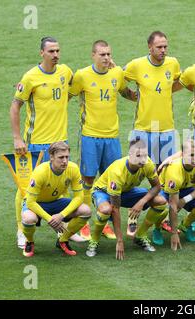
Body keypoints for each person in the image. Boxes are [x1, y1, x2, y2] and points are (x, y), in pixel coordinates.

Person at [10, 36, 79, 248]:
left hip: (60, 140)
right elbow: (15, 107)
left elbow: (77, 83)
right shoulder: (31, 77)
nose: (56, 55)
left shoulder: (65, 71)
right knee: (25, 188)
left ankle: (63, 229)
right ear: (42, 53)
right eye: (51, 51)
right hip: (36, 143)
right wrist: (17, 137)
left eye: (58, 51)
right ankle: (22, 229)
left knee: (62, 183)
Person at [68, 40, 137, 241]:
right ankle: (84, 223)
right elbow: (68, 96)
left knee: (112, 181)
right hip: (90, 135)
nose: (106, 58)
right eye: (102, 54)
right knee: (88, 180)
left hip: (112, 137)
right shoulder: (82, 75)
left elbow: (126, 93)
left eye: (108, 54)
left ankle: (106, 223)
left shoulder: (117, 74)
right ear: (93, 55)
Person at [123, 31, 181, 235]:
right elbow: (121, 81)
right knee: (136, 176)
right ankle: (132, 217)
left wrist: (162, 94)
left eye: (165, 46)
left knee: (165, 175)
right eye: (159, 47)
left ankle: (161, 219)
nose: (163, 50)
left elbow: (176, 83)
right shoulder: (136, 65)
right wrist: (133, 97)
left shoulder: (172, 64)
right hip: (143, 129)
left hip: (166, 129)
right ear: (150, 47)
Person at [85, 139, 168, 259]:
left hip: (126, 191)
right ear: (129, 155)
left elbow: (157, 187)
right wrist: (120, 241)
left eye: (144, 155)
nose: (142, 159)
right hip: (103, 192)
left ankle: (140, 235)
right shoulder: (117, 172)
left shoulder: (148, 164)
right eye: (138, 155)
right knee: (106, 210)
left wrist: (141, 202)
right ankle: (94, 240)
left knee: (160, 202)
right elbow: (115, 209)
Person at [21, 142, 92, 257]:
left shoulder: (73, 169)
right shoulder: (40, 172)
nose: (65, 161)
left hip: (56, 202)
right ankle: (29, 241)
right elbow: (30, 202)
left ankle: (63, 240)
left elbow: (79, 197)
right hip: (37, 204)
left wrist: (61, 215)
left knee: (86, 210)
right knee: (28, 218)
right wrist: (50, 219)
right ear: (51, 157)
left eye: (67, 157)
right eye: (61, 157)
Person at [157, 139, 195, 248]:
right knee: (161, 206)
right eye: (191, 155)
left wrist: (185, 200)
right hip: (166, 190)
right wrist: (174, 234)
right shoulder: (174, 171)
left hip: (186, 189)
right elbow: (173, 205)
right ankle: (157, 228)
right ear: (182, 155)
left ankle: (185, 225)